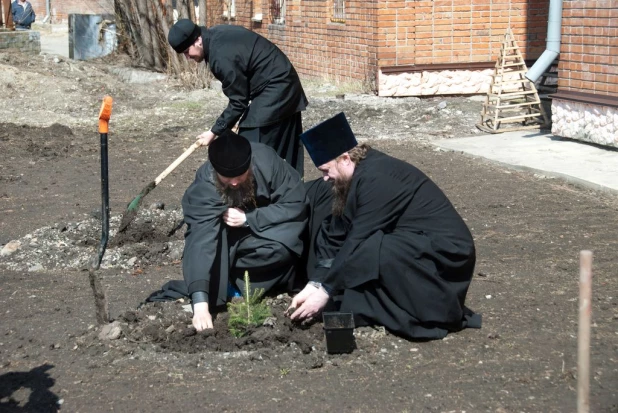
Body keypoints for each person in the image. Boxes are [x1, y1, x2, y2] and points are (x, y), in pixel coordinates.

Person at [288, 113, 481, 340]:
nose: (325, 178)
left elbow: (357, 240)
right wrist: (315, 283)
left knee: (375, 248)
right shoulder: (353, 177)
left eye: (325, 170)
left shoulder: (379, 177)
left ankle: (426, 312)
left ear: (345, 159)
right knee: (330, 228)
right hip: (412, 243)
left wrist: (326, 291)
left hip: (444, 255)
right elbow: (337, 235)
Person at [148, 130, 309, 331]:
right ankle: (227, 286)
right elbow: (200, 240)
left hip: (267, 230)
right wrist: (200, 305)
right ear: (215, 171)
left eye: (240, 176)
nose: (234, 183)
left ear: (249, 165)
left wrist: (249, 219)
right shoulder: (206, 184)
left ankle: (242, 283)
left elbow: (295, 203)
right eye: (226, 178)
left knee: (284, 248)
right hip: (229, 244)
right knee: (216, 254)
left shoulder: (267, 161)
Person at [167, 19, 308, 177]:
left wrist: (214, 131)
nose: (188, 57)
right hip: (284, 84)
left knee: (250, 145)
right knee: (272, 144)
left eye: (187, 52)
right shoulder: (217, 35)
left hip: (277, 88)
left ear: (198, 40)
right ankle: (284, 189)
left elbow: (238, 101)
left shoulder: (219, 56)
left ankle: (260, 191)